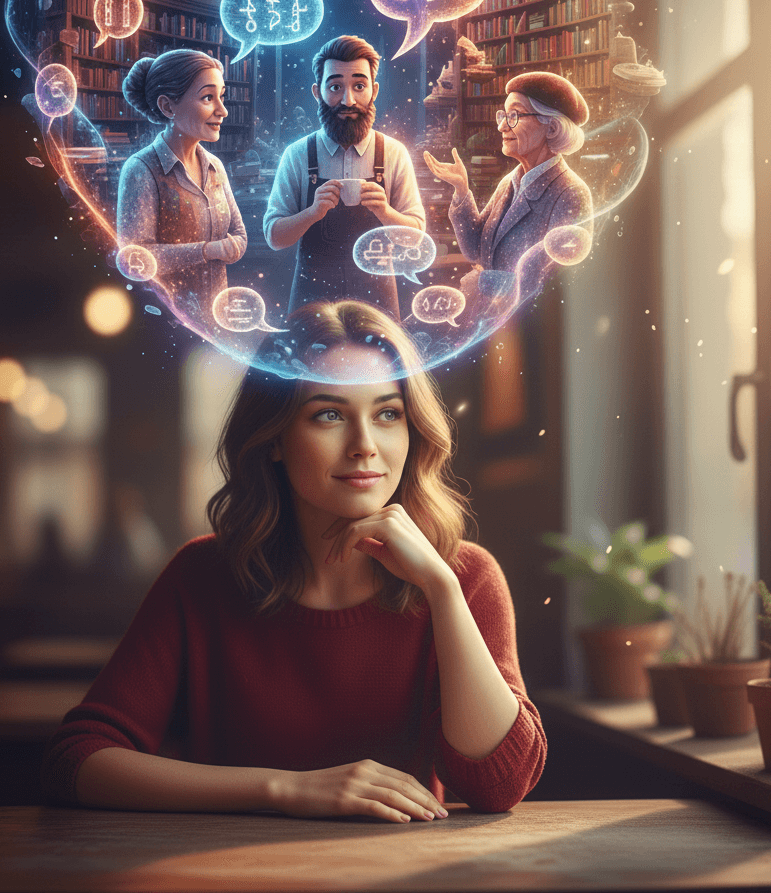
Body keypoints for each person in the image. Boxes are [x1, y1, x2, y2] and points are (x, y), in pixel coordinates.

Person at [41, 301, 547, 818]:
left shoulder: (464, 577)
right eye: (329, 414)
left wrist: (442, 590)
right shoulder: (201, 577)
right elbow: (76, 761)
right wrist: (288, 790)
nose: (364, 446)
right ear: (275, 437)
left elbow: (497, 788)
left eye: (388, 414)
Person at [263, 36, 426, 319]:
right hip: (312, 303)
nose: (348, 100)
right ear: (318, 92)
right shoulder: (298, 154)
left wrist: (385, 212)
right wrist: (312, 213)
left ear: (374, 91)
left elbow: (416, 238)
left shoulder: (394, 153)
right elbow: (274, 237)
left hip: (379, 306)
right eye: (336, 87)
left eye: (359, 86)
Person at [424, 71, 592, 304]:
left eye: (515, 115)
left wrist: (485, 282)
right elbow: (474, 250)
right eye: (503, 115)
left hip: (532, 330)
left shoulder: (571, 193)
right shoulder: (509, 183)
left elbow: (557, 285)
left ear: (551, 128)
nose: (502, 126)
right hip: (491, 320)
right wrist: (462, 190)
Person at [118, 48, 247, 316]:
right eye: (208, 97)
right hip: (165, 322)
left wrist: (229, 248)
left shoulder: (215, 167)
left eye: (221, 97)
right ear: (168, 106)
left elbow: (240, 235)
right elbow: (134, 259)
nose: (222, 111)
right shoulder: (141, 170)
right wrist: (208, 250)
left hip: (217, 318)